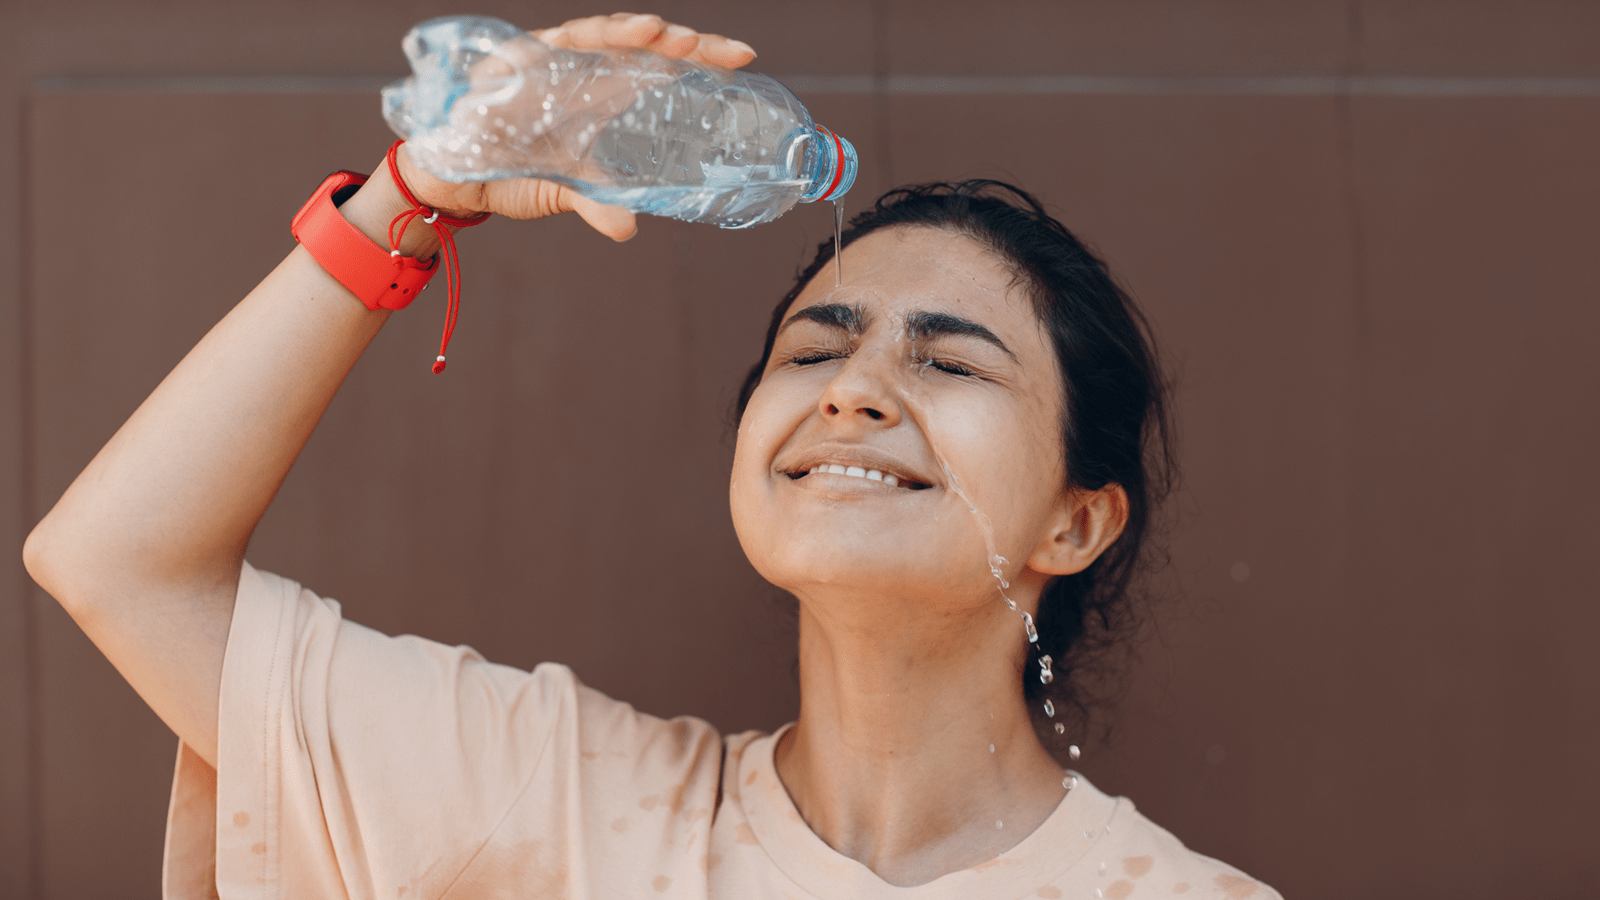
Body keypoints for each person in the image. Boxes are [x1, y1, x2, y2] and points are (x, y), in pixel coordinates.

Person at [23, 12, 1282, 900]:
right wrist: (413, 196)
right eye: (812, 349)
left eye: (947, 363)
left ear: (1076, 520)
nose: (851, 390)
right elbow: (115, 562)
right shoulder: (548, 796)